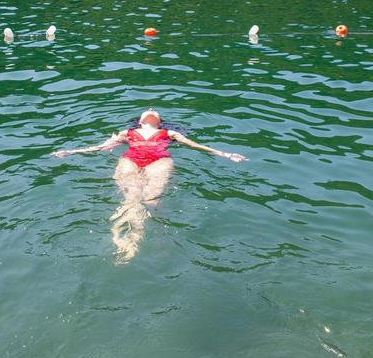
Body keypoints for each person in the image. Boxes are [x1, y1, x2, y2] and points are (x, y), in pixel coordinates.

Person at [52, 109, 248, 262]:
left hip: (159, 161)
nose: (151, 108)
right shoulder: (127, 133)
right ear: (140, 121)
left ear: (159, 121)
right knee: (132, 199)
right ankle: (125, 237)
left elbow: (194, 145)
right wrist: (71, 152)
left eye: (154, 110)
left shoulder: (168, 132)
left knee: (150, 200)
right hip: (131, 159)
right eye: (148, 110)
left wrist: (226, 154)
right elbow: (102, 147)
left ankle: (134, 234)